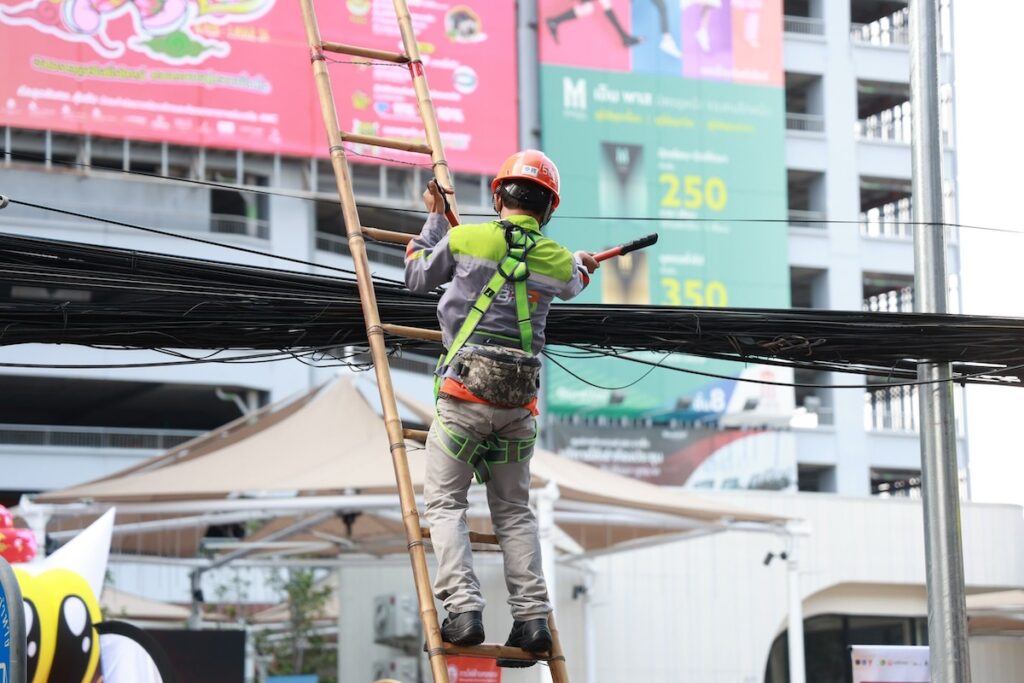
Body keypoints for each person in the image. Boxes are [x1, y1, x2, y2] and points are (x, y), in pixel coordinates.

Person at [404, 150, 598, 667]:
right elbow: (575, 280)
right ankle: (532, 619)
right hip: (518, 406)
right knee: (513, 511)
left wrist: (433, 220)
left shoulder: (466, 238)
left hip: (464, 398)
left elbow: (417, 276)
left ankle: (463, 611)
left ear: (498, 197)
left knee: (446, 504)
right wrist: (581, 262)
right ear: (549, 209)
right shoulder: (557, 259)